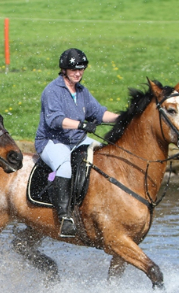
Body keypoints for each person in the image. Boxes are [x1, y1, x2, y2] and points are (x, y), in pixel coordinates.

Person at [35, 48, 119, 238]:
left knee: (105, 157)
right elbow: (55, 120)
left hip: (77, 140)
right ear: (64, 70)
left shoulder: (81, 91)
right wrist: (81, 124)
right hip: (53, 142)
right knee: (64, 168)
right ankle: (65, 217)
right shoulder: (52, 91)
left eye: (81, 70)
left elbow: (99, 113)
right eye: (74, 70)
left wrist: (124, 117)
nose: (78, 73)